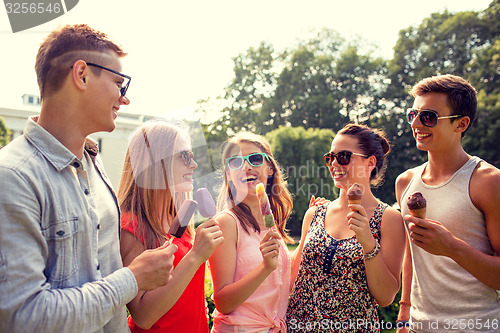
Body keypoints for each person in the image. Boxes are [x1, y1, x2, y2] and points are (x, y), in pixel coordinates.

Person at [0, 24, 177, 332]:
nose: (124, 99)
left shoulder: (93, 162)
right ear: (81, 74)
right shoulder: (13, 177)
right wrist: (133, 279)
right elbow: (24, 317)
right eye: (119, 84)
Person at [396, 74, 500, 333]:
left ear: (461, 123)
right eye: (413, 115)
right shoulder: (405, 182)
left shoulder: (488, 181)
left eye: (428, 116)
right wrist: (405, 309)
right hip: (420, 326)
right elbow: (411, 252)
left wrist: (452, 247)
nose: (416, 124)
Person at [286, 123, 405, 332]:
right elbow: (292, 278)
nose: (334, 164)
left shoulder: (389, 219)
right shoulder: (314, 214)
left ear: (370, 162)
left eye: (343, 156)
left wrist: (368, 242)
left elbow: (386, 297)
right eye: (330, 157)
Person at [118, 120, 224, 332]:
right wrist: (195, 256)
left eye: (192, 157)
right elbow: (143, 316)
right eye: (184, 156)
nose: (193, 165)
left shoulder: (177, 216)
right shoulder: (130, 226)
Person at [209, 131, 294, 332]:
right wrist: (265, 267)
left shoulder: (271, 223)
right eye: (235, 162)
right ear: (228, 174)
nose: (246, 166)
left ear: (270, 168)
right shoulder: (226, 223)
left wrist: (309, 229)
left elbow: (281, 280)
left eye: (255, 159)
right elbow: (223, 303)